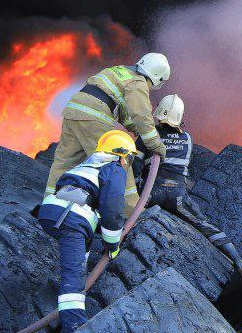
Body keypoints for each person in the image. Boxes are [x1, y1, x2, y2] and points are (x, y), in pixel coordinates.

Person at [37, 129, 136, 333]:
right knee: (73, 276)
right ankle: (75, 329)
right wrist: (113, 245)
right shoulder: (114, 168)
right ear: (122, 155)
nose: (128, 163)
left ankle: (71, 292)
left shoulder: (89, 164)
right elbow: (111, 208)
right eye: (129, 158)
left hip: (53, 211)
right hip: (70, 218)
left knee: (79, 259)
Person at [46, 53, 171, 216]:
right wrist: (156, 145)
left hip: (74, 110)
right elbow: (141, 115)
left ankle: (49, 203)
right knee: (119, 162)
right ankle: (132, 211)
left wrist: (132, 127)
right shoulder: (138, 82)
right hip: (93, 116)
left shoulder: (119, 71)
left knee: (65, 162)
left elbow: (119, 107)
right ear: (156, 77)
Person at [142, 94, 242, 274]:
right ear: (180, 118)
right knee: (205, 225)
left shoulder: (148, 135)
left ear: (159, 113)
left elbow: (135, 166)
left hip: (151, 192)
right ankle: (238, 261)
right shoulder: (187, 139)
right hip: (177, 195)